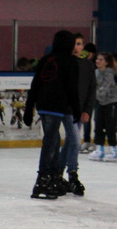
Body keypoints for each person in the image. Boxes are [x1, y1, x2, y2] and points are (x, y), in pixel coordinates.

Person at [23, 30, 80, 199]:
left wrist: (29, 107)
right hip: (56, 105)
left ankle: (53, 176)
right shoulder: (70, 61)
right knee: (50, 141)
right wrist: (77, 109)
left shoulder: (45, 59)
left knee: (53, 140)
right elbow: (72, 88)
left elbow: (35, 85)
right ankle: (43, 178)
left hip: (43, 105)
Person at [57, 33, 95, 196]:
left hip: (80, 111)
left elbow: (92, 89)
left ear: (83, 46)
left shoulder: (87, 65)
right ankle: (73, 174)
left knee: (70, 143)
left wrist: (87, 110)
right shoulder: (64, 63)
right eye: (73, 44)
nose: (76, 47)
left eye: (79, 44)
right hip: (67, 110)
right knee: (75, 141)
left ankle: (58, 173)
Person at [88, 52, 117, 162]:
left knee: (110, 127)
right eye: (97, 59)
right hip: (99, 103)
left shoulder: (109, 73)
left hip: (111, 104)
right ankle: (99, 149)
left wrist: (93, 95)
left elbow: (105, 88)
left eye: (101, 59)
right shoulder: (95, 72)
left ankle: (113, 151)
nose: (97, 61)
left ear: (106, 62)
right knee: (98, 126)